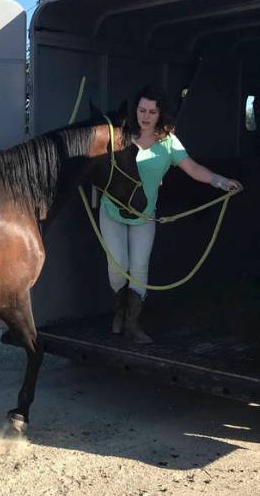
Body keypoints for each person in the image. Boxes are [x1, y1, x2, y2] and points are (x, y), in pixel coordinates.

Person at [100, 85, 241, 344]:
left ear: (160, 114)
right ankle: (119, 312)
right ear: (135, 111)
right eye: (142, 110)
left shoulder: (168, 142)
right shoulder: (120, 135)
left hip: (144, 215)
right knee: (117, 266)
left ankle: (132, 323)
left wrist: (220, 181)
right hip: (112, 211)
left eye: (152, 111)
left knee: (140, 267)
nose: (145, 116)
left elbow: (193, 168)